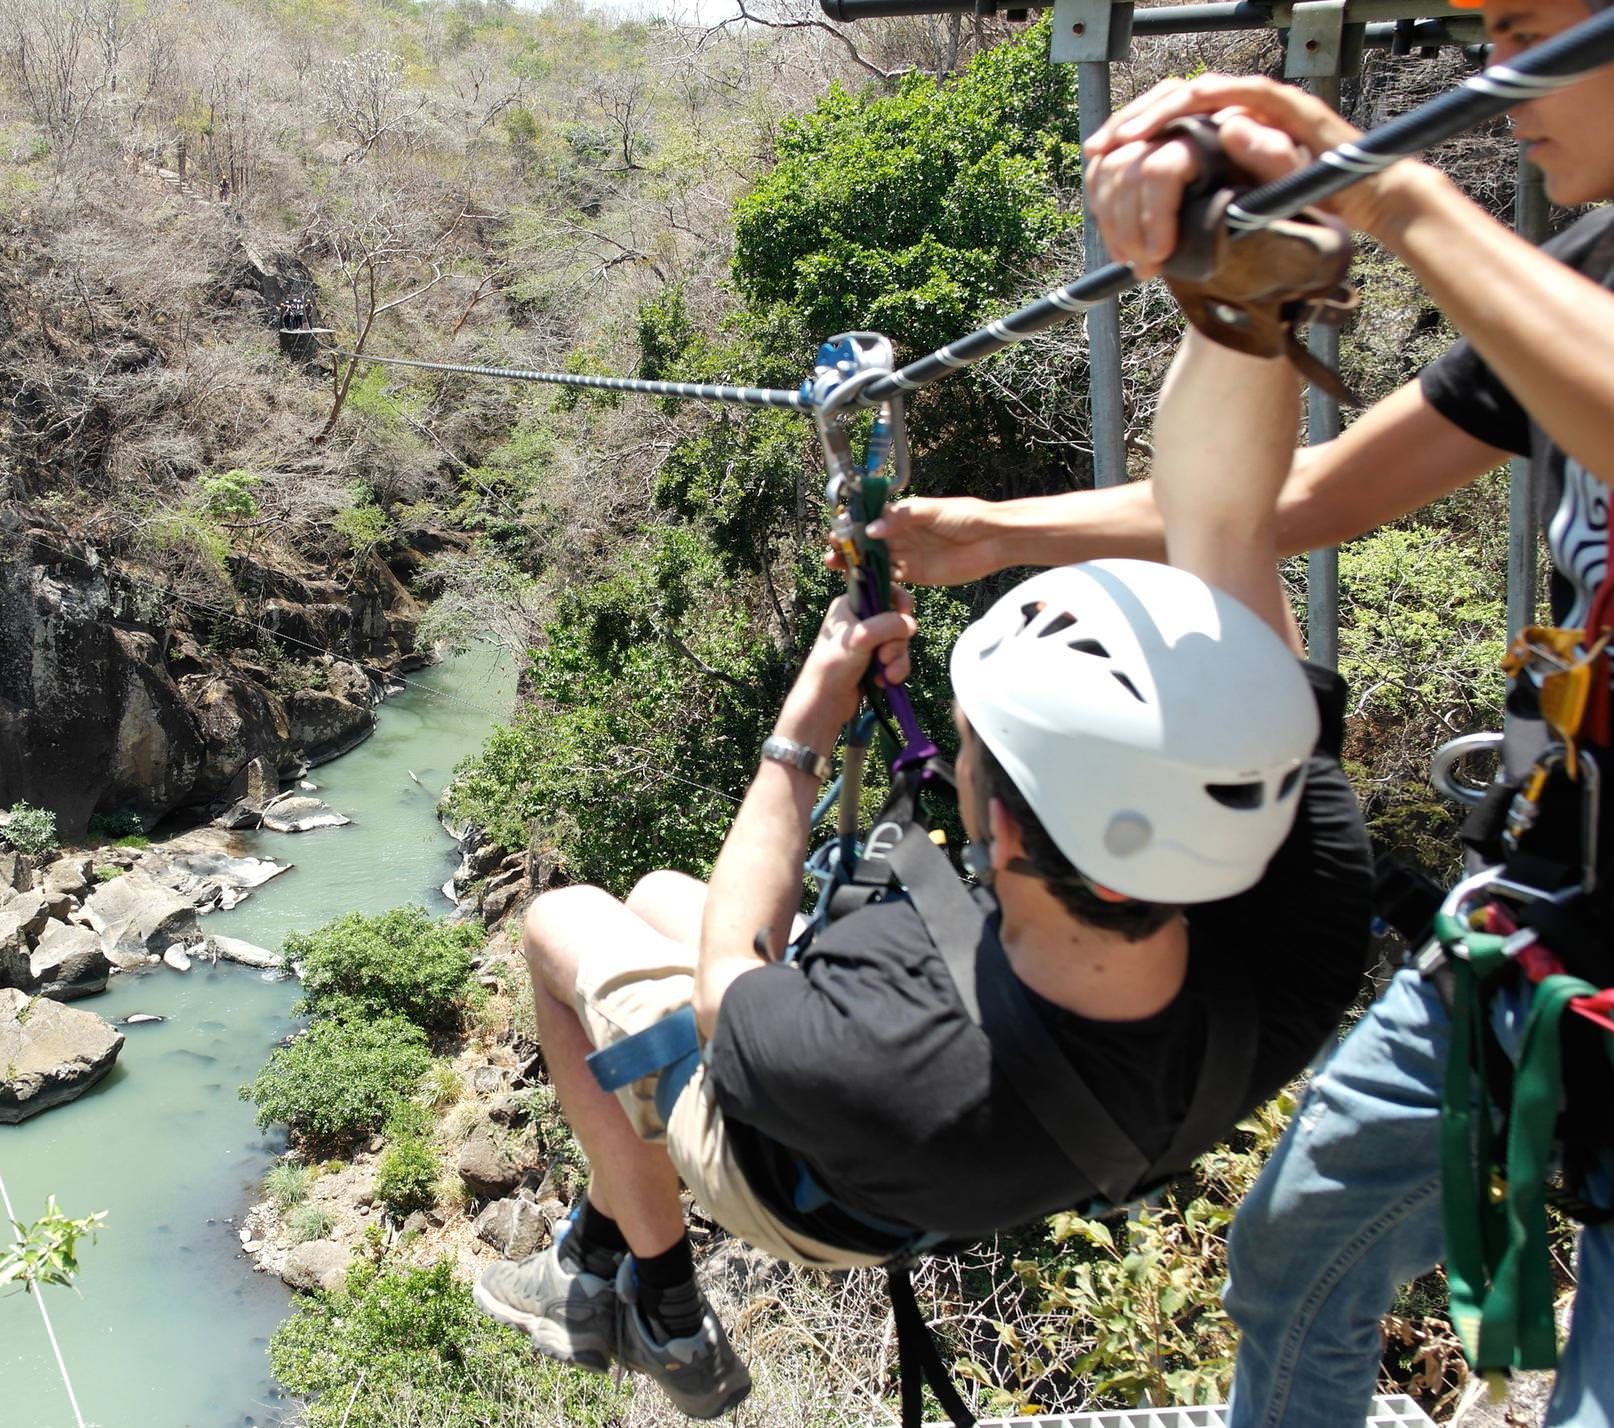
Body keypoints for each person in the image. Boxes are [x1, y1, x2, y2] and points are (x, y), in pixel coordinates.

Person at [866, 3, 1614, 1421]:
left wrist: (1393, 195)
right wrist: (997, 528)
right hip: (1547, 921)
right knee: (1298, 1248)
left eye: (1521, 28)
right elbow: (1307, 499)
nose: (1488, 76)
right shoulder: (1584, 271)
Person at [471, 321, 1375, 1417]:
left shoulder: (871, 1051)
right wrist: (1236, 304)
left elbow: (727, 983)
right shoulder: (1301, 925)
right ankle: (608, 1226)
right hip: (1041, 1092)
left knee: (561, 924)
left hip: (806, 1180)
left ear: (996, 840)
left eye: (961, 748)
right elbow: (1223, 512)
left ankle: (653, 1298)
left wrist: (804, 726)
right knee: (661, 895)